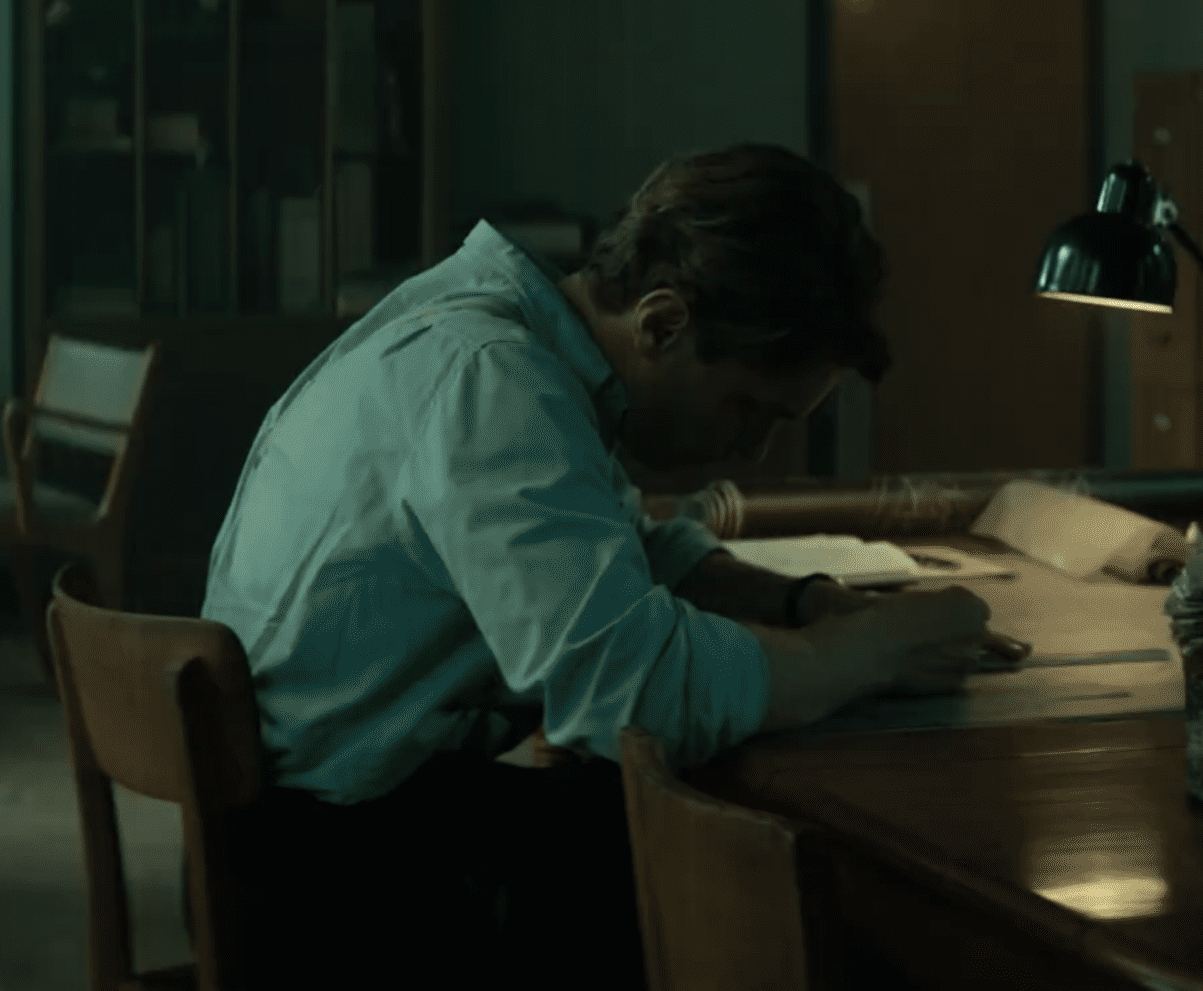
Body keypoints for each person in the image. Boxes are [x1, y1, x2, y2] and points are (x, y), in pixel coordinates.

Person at [198, 143, 1021, 989]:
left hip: (331, 814)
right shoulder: (494, 380)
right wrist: (872, 653)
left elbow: (622, 546)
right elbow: (627, 685)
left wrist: (805, 604)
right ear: (662, 325)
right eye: (750, 409)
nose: (752, 450)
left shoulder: (498, 335)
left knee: (652, 828)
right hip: (328, 881)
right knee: (772, 888)